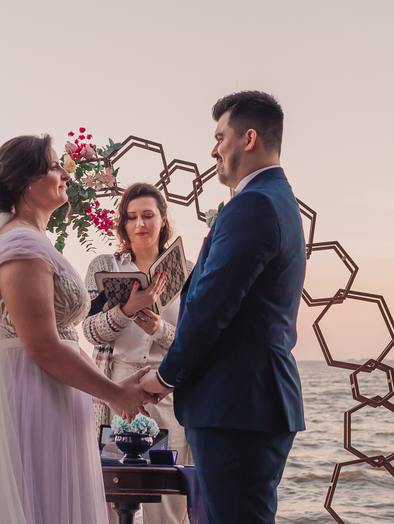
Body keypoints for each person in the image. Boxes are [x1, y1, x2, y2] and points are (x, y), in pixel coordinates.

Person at [0, 135, 158, 524]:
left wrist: (111, 398)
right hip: (30, 396)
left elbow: (63, 337)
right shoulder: (20, 242)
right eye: (53, 166)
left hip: (51, 393)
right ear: (28, 182)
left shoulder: (33, 239)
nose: (64, 173)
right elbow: (41, 345)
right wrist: (114, 391)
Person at [141, 91, 306, 524]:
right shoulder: (276, 200)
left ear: (248, 138)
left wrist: (162, 377)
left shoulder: (254, 204)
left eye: (220, 137)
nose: (213, 148)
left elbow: (212, 307)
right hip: (249, 403)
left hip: (238, 405)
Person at [82, 182, 196, 524]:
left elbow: (196, 344)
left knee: (167, 504)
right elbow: (88, 330)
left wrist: (159, 329)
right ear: (122, 223)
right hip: (116, 390)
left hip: (170, 392)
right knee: (115, 494)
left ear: (163, 220)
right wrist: (129, 309)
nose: (140, 224)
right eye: (131, 217)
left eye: (148, 215)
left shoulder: (189, 272)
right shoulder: (105, 265)